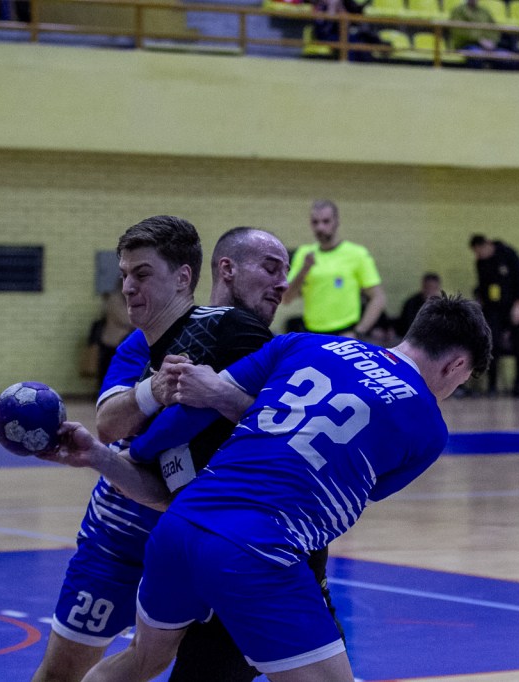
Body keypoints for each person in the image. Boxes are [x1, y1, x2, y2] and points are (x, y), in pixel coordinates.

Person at [41, 293, 493, 681]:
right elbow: (372, 488)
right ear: (456, 365)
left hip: (179, 526)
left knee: (142, 660)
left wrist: (132, 454)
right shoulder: (429, 427)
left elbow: (197, 406)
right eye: (462, 379)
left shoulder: (304, 343)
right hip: (259, 551)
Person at [32, 221, 290, 682]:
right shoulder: (150, 335)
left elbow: (274, 432)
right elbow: (109, 422)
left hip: (195, 540)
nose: (283, 284)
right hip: (120, 533)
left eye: (141, 274)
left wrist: (210, 402)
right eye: (271, 269)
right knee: (64, 671)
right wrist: (154, 390)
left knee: (164, 663)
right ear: (226, 269)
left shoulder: (260, 348)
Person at [284, 199, 387, 338]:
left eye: (326, 221)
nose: (320, 227)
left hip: (346, 332)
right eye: (315, 222)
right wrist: (304, 270)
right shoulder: (304, 254)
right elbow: (286, 298)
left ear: (337, 221)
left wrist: (358, 332)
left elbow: (378, 298)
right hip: (312, 332)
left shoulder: (357, 254)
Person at [469, 234, 519, 397]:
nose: (478, 255)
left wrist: (518, 304)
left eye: (479, 251)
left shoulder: (508, 254)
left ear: (486, 245)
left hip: (513, 306)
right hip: (493, 309)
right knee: (492, 344)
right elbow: (482, 286)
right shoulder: (480, 262)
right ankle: (492, 385)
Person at [394, 272, 442, 338]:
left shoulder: (442, 305)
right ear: (423, 287)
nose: (430, 291)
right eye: (428, 288)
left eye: (433, 288)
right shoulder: (411, 303)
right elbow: (409, 325)